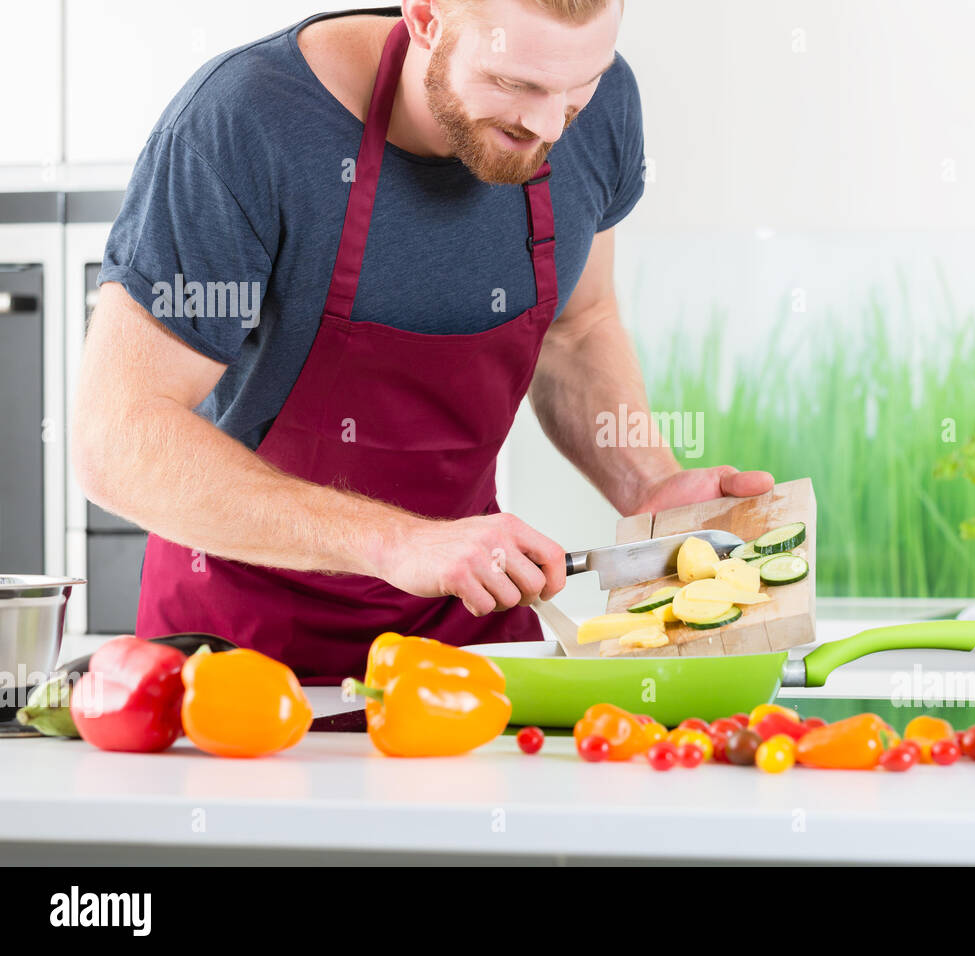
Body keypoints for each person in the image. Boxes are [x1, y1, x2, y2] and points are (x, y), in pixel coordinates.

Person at [71, 0, 772, 683]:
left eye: (575, 95)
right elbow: (116, 442)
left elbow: (577, 328)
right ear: (427, 19)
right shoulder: (242, 126)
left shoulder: (598, 97)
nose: (544, 125)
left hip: (468, 632)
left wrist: (648, 483)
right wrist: (396, 542)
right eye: (514, 84)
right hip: (243, 651)